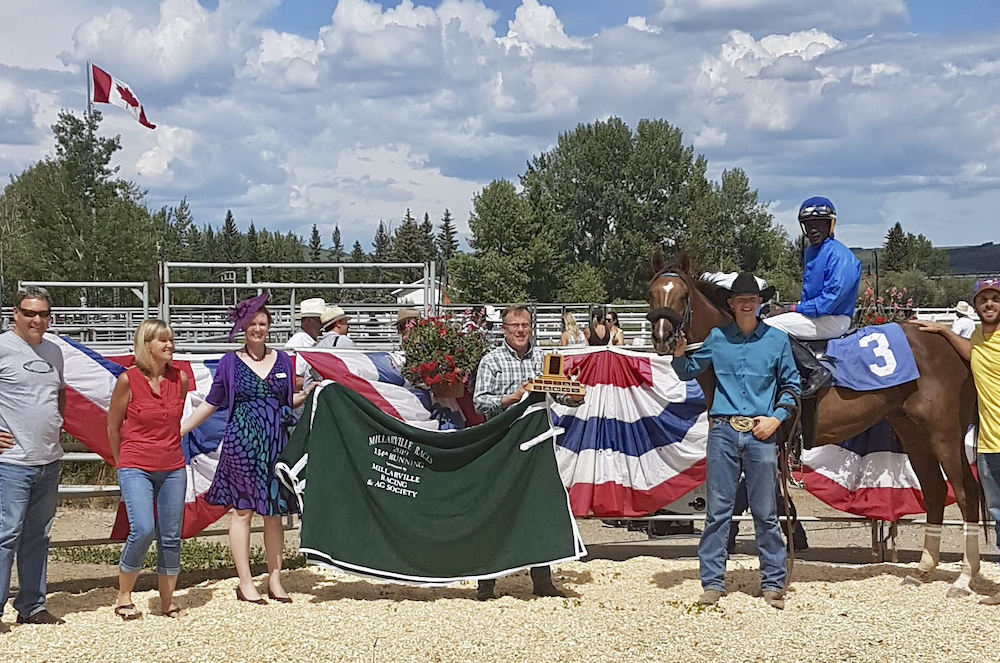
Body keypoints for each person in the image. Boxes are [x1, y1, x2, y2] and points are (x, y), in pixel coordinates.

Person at [672, 273, 800, 610]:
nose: (747, 302)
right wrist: (679, 353)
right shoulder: (716, 338)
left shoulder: (778, 341)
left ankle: (772, 582)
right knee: (717, 512)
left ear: (760, 303)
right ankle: (712, 583)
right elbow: (687, 370)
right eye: (741, 298)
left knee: (766, 512)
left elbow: (792, 388)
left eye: (752, 298)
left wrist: (776, 419)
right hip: (724, 431)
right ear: (730, 303)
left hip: (761, 431)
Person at [181, 293, 313, 604]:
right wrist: (178, 430)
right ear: (243, 327)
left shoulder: (283, 359)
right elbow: (212, 403)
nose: (258, 328)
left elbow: (286, 401)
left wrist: (307, 393)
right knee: (242, 513)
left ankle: (276, 579)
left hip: (275, 444)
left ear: (269, 326)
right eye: (252, 323)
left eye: (263, 323)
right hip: (241, 445)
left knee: (273, 515)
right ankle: (245, 581)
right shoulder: (229, 363)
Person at [910, 277, 1000, 605]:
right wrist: (945, 331)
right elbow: (971, 353)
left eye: (995, 299)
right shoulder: (978, 337)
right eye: (984, 299)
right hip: (989, 442)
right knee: (999, 512)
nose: (989, 304)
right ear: (976, 306)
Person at [472, 305, 565, 600]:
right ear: (504, 329)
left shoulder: (546, 359)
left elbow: (561, 392)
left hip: (536, 442)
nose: (521, 330)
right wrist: (511, 398)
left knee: (538, 507)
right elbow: (479, 402)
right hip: (500, 441)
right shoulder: (491, 360)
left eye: (525, 325)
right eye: (515, 325)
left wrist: (573, 395)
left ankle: (543, 579)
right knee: (494, 508)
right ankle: (486, 582)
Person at [107, 319, 188, 620]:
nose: (170, 345)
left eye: (170, 340)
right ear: (147, 345)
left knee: (170, 535)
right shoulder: (128, 380)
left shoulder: (179, 379)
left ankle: (167, 601)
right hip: (135, 465)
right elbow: (113, 427)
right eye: (162, 341)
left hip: (173, 467)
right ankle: (124, 595)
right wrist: (122, 462)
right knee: (142, 529)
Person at [0, 286, 66, 628]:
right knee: (5, 534)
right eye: (30, 313)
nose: (37, 320)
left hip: (48, 460)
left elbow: (60, 393)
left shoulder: (54, 351)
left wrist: (57, 425)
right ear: (15, 313)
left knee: (38, 535)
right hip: (11, 462)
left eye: (43, 314)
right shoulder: (2, 347)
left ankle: (32, 605)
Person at [764, 196, 861, 395]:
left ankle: (814, 371)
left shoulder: (842, 256)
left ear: (830, 225)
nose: (813, 229)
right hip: (816, 316)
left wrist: (790, 308)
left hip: (833, 319)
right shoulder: (810, 252)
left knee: (767, 327)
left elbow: (826, 303)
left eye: (819, 224)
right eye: (808, 225)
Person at [284, 298, 325, 389]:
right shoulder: (300, 341)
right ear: (309, 321)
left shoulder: (306, 340)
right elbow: (295, 380)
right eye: (320, 321)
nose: (322, 326)